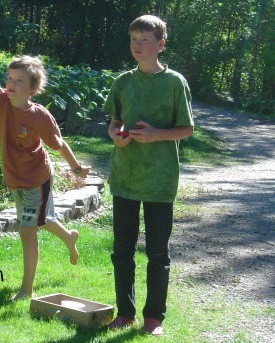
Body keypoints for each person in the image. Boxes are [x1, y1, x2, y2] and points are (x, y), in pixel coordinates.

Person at [0, 50, 91, 300]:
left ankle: (26, 290)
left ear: (32, 89)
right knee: (38, 220)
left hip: (37, 179)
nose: (11, 84)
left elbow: (58, 144)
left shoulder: (39, 116)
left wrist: (77, 168)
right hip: (15, 179)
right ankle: (69, 237)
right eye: (9, 78)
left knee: (28, 230)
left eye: (19, 81)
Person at [103, 15, 194, 336]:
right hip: (124, 177)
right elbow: (114, 121)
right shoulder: (123, 82)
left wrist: (157, 134)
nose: (137, 45)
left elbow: (187, 128)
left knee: (157, 252)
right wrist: (115, 134)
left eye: (144, 39)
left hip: (160, 181)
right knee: (122, 251)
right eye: (133, 39)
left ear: (161, 43)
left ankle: (154, 318)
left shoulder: (174, 83)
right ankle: (125, 314)